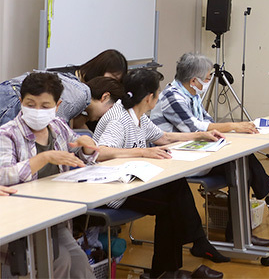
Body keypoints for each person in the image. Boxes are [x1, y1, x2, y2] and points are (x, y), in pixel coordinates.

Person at [149, 52, 269, 247]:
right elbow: (195, 128)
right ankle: (262, 203)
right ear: (194, 81)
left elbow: (207, 121)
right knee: (240, 166)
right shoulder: (172, 96)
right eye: (208, 78)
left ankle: (241, 233)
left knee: (241, 163)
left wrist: (231, 129)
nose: (209, 81)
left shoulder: (191, 94)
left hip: (196, 153)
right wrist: (234, 126)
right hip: (178, 161)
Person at [93, 68, 226, 279]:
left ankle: (171, 267)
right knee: (171, 200)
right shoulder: (119, 119)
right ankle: (176, 261)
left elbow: (162, 137)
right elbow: (101, 152)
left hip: (131, 182)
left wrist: (200, 135)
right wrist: (142, 152)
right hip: (113, 191)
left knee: (175, 186)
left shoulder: (137, 113)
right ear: (149, 98)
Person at [0, 72, 100, 278]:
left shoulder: (58, 126)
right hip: (22, 219)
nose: (37, 111)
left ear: (57, 105)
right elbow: (4, 175)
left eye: (45, 106)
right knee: (60, 260)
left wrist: (87, 147)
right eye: (30, 104)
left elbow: (77, 153)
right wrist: (43, 158)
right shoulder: (8, 133)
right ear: (21, 101)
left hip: (53, 217)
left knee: (80, 265)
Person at [0, 49, 128, 126]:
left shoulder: (79, 88)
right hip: (13, 97)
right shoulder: (81, 95)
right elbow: (55, 126)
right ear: (105, 97)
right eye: (112, 78)